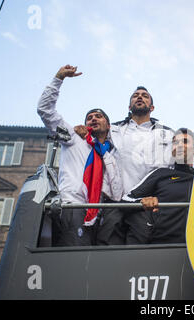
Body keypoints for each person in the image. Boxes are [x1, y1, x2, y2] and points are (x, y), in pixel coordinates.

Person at [75, 86, 174, 244]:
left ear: (152, 107)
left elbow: (172, 168)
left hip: (147, 203)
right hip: (116, 201)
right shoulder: (113, 129)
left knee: (140, 250)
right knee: (107, 247)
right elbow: (91, 136)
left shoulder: (168, 134)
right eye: (135, 96)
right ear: (129, 106)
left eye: (144, 96)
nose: (139, 97)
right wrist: (81, 131)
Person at [37, 65, 123, 246]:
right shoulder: (73, 138)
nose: (93, 118)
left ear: (108, 126)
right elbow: (45, 111)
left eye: (98, 116)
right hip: (73, 208)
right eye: (90, 117)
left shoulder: (110, 153)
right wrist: (58, 78)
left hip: (98, 215)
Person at [120, 128, 194, 244]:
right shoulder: (161, 173)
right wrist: (143, 202)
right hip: (159, 246)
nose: (180, 145)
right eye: (175, 142)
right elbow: (125, 200)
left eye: (185, 141)